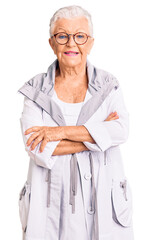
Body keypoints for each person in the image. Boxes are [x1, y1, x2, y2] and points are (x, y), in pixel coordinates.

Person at [17, 5, 134, 240]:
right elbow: (35, 147)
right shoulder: (35, 89)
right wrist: (99, 137)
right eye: (62, 36)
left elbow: (121, 131)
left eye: (80, 36)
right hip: (49, 202)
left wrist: (58, 133)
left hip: (103, 199)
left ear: (90, 43)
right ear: (52, 43)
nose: (71, 43)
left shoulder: (109, 85)